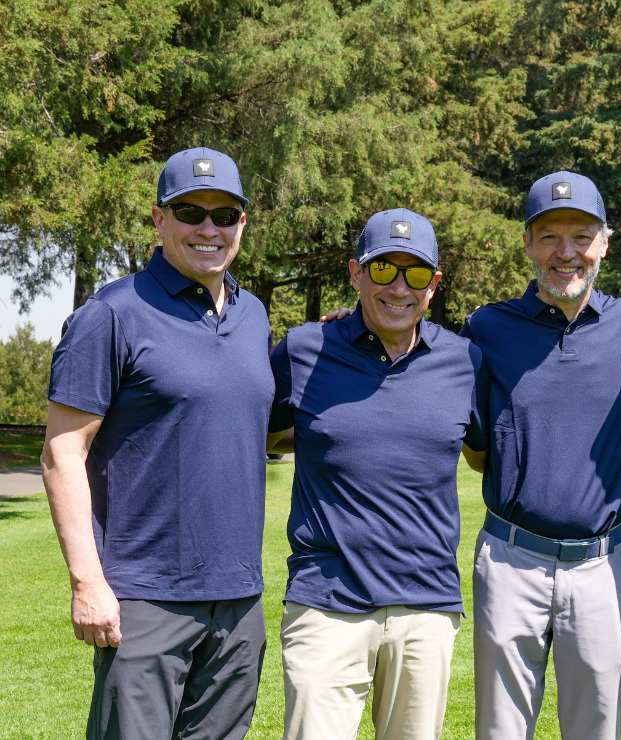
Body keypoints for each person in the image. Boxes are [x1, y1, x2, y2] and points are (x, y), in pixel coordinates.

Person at [41, 147, 273, 739]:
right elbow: (62, 452)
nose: (208, 229)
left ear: (242, 223)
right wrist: (87, 583)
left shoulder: (253, 317)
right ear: (159, 219)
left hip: (239, 600)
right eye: (191, 212)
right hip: (144, 600)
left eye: (225, 215)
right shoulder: (112, 314)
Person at [268, 208, 486, 739]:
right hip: (326, 603)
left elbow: (480, 455)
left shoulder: (465, 361)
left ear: (434, 284)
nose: (399, 287)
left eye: (415, 273)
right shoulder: (303, 351)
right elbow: (265, 437)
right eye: (383, 269)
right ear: (356, 273)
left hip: (426, 606)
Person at [462, 171, 621, 739]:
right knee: (500, 730)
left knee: (597, 728)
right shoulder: (487, 328)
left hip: (600, 565)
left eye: (581, 236)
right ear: (527, 243)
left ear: (604, 244)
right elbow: (474, 445)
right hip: (509, 560)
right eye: (549, 236)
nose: (565, 252)